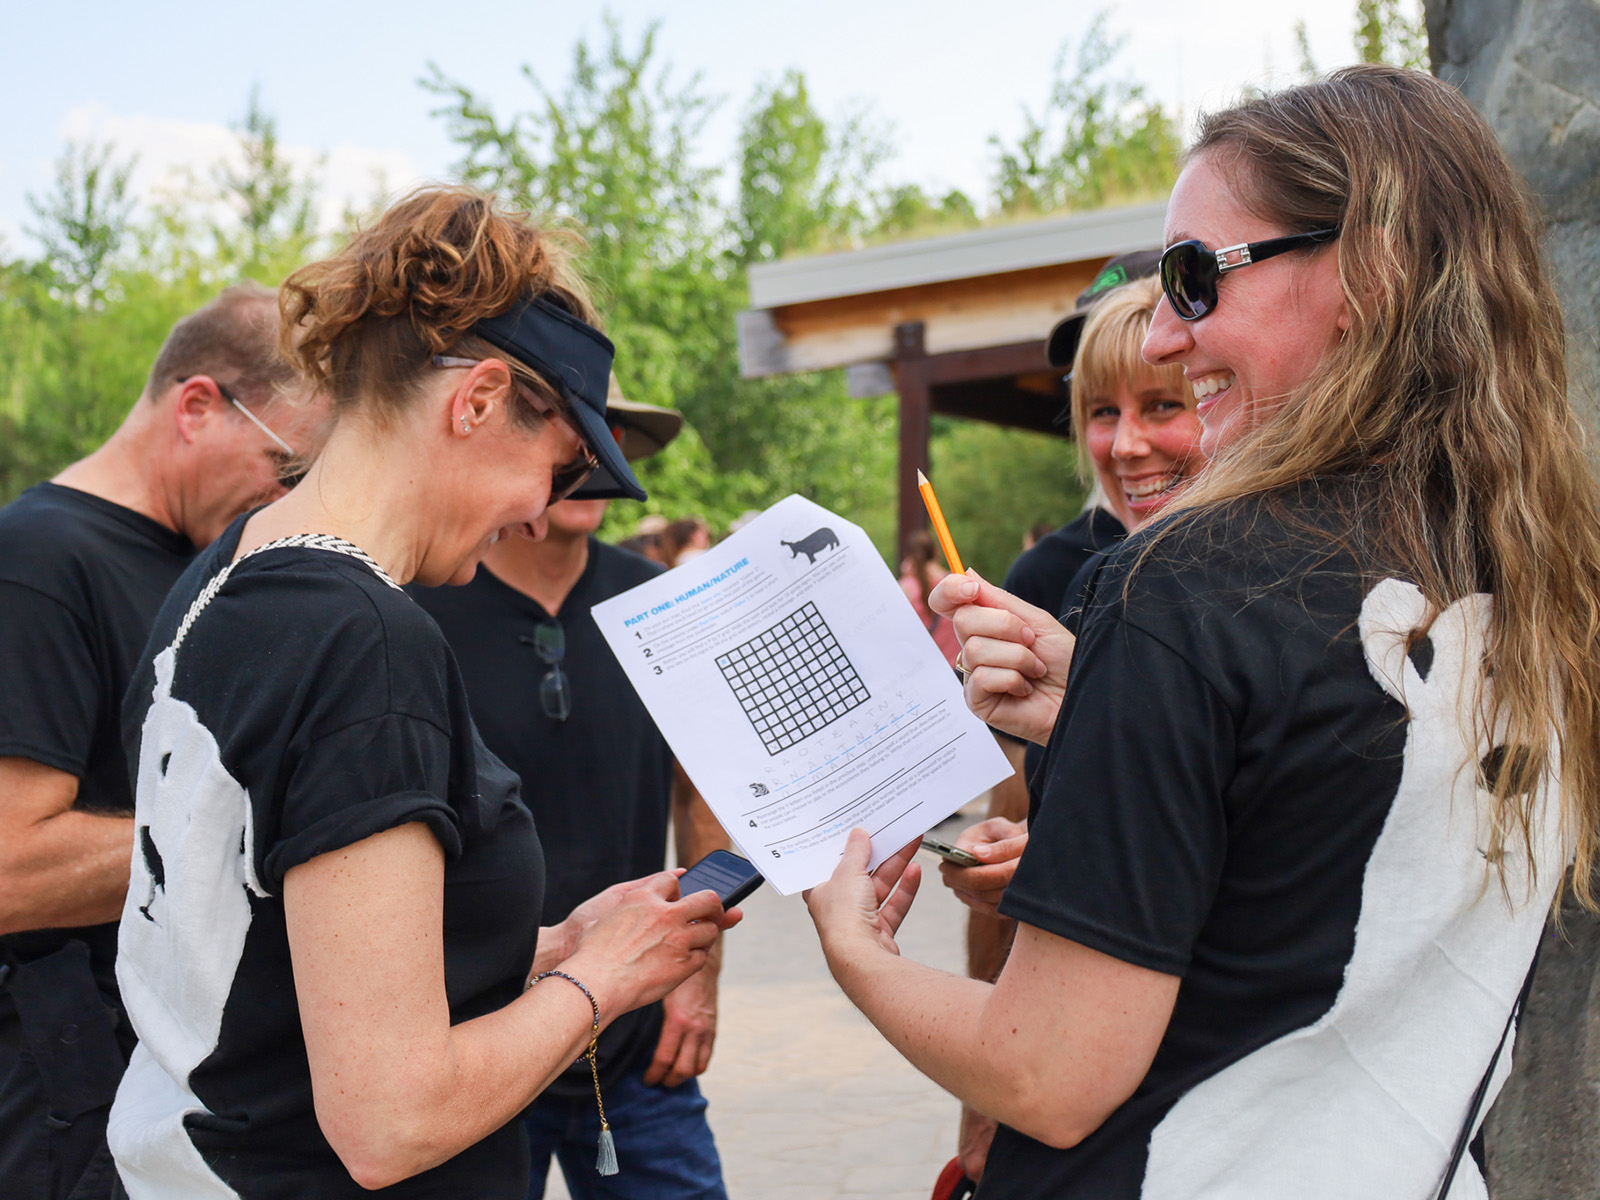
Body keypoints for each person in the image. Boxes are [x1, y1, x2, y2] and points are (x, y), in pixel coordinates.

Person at [805, 64, 1600, 1198]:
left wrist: (856, 949)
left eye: (1193, 277)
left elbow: (1046, 1073)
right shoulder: (1538, 575)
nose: (1167, 337)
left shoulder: (1185, 584)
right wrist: (1107, 711)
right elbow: (1331, 849)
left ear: (1369, 272)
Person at [108, 187, 737, 1199]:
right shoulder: (367, 641)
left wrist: (550, 948)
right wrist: (602, 980)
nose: (543, 514)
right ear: (477, 400)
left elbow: (280, 952)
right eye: (558, 469)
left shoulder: (226, 572)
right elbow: (391, 1122)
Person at [0, 284, 325, 1200]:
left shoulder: (203, 560)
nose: (288, 496)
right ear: (197, 406)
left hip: (175, 1080)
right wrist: (265, 830)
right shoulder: (37, 562)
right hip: (66, 1092)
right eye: (285, 464)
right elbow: (11, 868)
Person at [410, 383, 736, 1200]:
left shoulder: (661, 601)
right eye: (574, 431)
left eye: (612, 435)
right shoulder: (420, 603)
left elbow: (704, 795)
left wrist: (696, 981)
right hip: (474, 1037)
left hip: (635, 1035)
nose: (596, 457)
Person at [950, 273, 1204, 1184]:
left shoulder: (1273, 587)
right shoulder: (1050, 574)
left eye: (1164, 400)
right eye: (1098, 407)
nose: (1126, 444)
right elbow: (1020, 806)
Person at [899, 528, 961, 668]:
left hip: (927, 669)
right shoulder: (955, 583)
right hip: (958, 669)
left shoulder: (908, 587)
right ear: (936, 552)